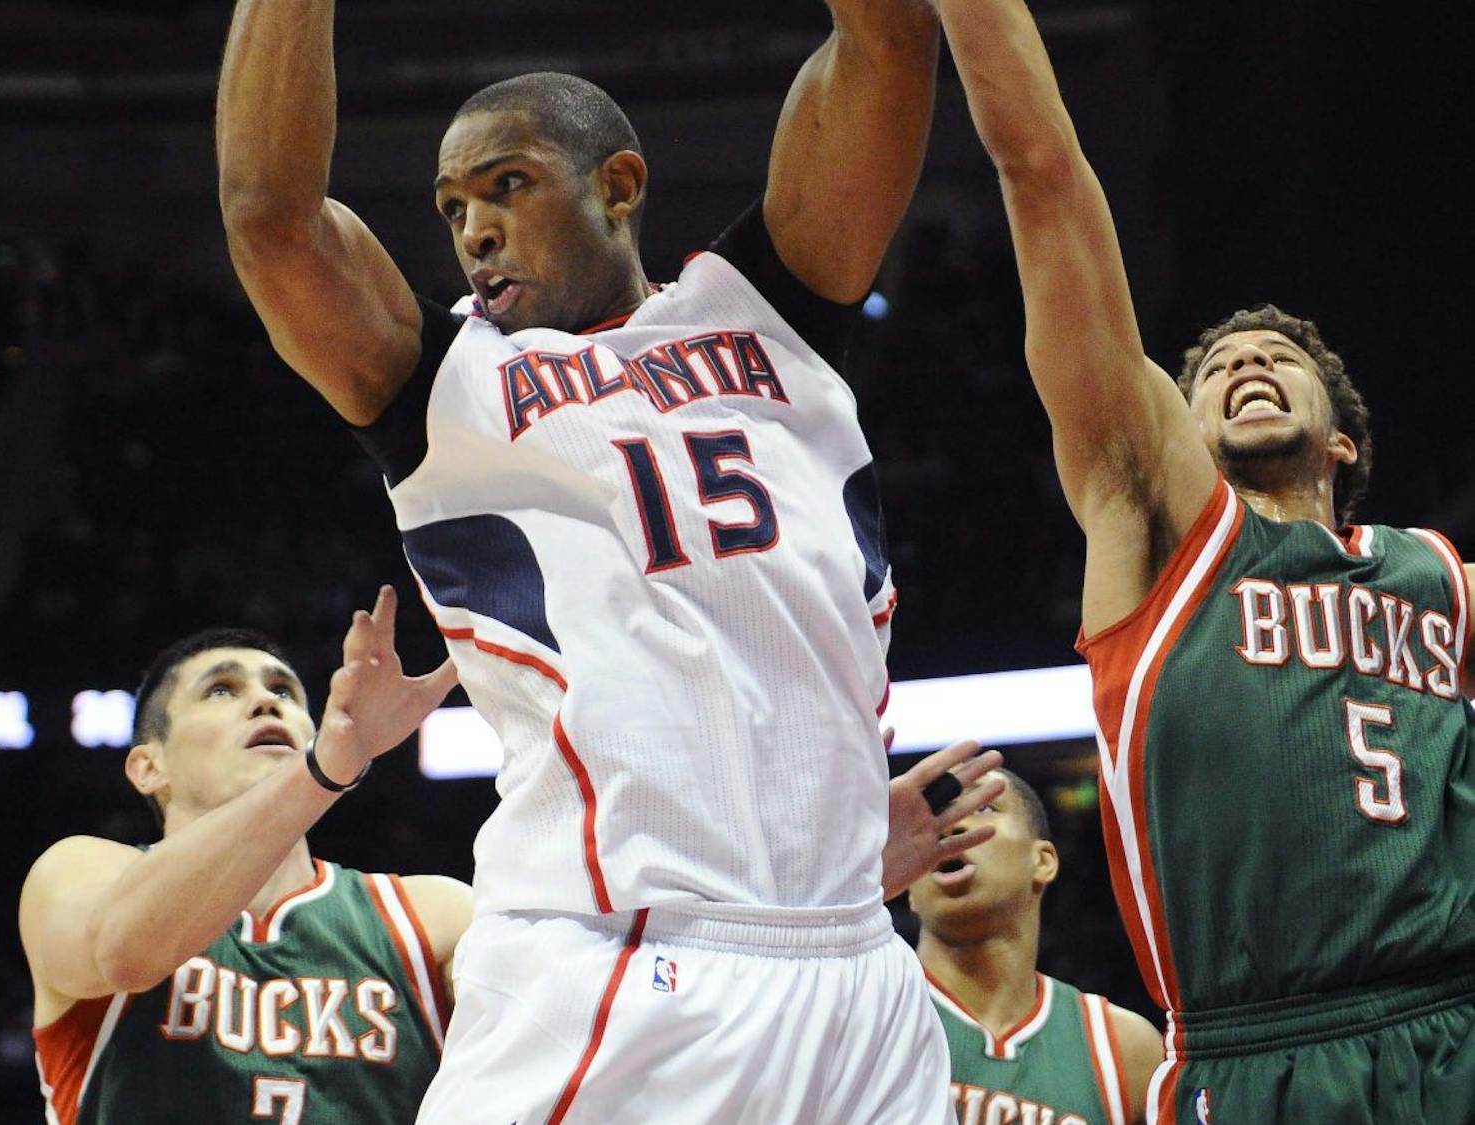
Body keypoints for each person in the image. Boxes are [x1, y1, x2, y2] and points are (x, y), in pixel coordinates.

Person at [216, 1, 1005, 1121]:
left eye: (507, 185)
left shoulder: (769, 309)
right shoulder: (442, 383)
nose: (473, 229)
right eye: (451, 209)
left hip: (856, 970)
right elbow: (269, 218)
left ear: (619, 186)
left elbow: (887, 42)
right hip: (614, 956)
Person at [934, 0, 1475, 1120]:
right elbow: (1042, 171)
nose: (1249, 364)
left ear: (1342, 439)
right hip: (1260, 1048)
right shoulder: (1161, 523)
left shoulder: (1439, 577)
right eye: (1220, 367)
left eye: (1279, 357)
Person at [20, 588, 471, 1124]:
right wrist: (322, 773)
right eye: (220, 691)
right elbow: (122, 952)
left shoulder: (432, 914)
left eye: (284, 690)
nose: (266, 701)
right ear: (149, 766)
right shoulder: (79, 870)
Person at [911, 769, 1160, 1124]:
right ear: (909, 885)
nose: (952, 827)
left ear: (1042, 861)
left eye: (983, 808)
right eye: (937, 815)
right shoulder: (863, 1016)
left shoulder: (1125, 1049)